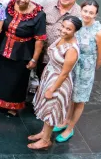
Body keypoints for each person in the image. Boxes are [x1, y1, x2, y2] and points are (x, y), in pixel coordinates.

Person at [54, 0, 101, 142]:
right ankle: (65, 120)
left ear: (96, 14)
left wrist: (91, 70)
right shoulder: (77, 24)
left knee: (79, 99)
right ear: (81, 10)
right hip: (72, 64)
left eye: (91, 12)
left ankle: (70, 128)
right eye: (85, 11)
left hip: (86, 69)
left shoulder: (98, 32)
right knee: (70, 95)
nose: (87, 14)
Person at [0, 0, 46, 117]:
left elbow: (40, 39)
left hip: (22, 52)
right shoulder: (10, 5)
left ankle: (13, 106)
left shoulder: (38, 15)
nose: (22, 0)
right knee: (2, 77)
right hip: (4, 48)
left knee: (17, 80)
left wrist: (34, 59)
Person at [28, 16, 81, 150]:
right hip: (49, 76)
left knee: (51, 109)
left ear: (75, 31)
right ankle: (43, 133)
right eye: (63, 26)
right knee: (46, 107)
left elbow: (64, 73)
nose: (63, 30)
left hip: (58, 82)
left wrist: (52, 89)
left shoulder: (72, 49)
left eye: (68, 29)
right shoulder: (62, 38)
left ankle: (46, 140)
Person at [39, 0, 81, 78]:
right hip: (42, 52)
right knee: (40, 76)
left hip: (60, 58)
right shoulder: (49, 4)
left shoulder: (78, 14)